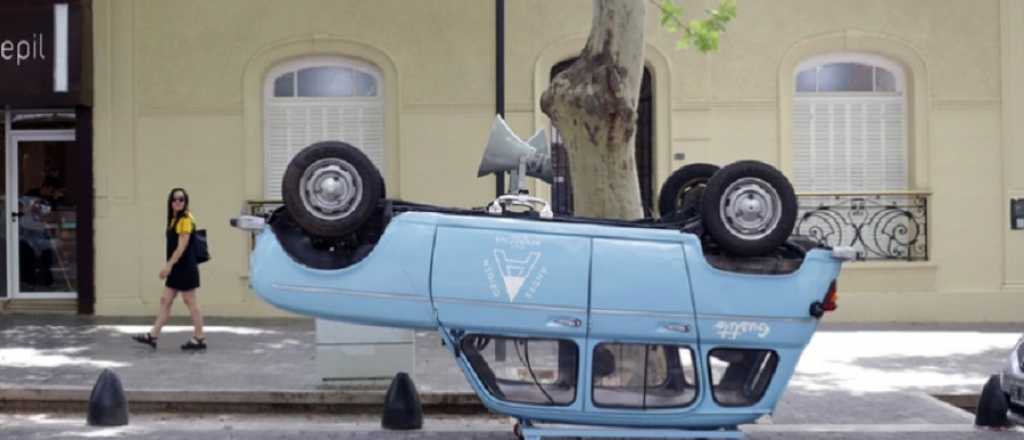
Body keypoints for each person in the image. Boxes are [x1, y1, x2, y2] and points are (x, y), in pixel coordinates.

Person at [132, 188, 206, 350]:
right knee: (165, 300)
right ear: (170, 202)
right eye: (174, 199)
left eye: (181, 199)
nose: (178, 202)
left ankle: (199, 337)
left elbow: (181, 247)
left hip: (184, 267)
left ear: (186, 201)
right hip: (178, 267)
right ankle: (153, 335)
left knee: (190, 301)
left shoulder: (185, 219)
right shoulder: (174, 219)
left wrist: (168, 266)